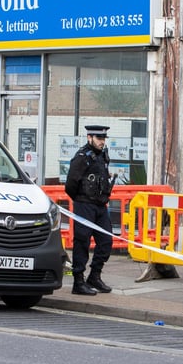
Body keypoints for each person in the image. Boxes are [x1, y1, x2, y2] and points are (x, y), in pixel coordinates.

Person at [64, 125, 116, 296]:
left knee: (106, 240)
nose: (102, 142)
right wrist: (80, 199)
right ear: (89, 138)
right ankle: (78, 282)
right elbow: (71, 184)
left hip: (100, 205)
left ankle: (94, 276)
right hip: (84, 204)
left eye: (103, 139)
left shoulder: (102, 155)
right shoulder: (82, 157)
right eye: (99, 138)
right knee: (82, 242)